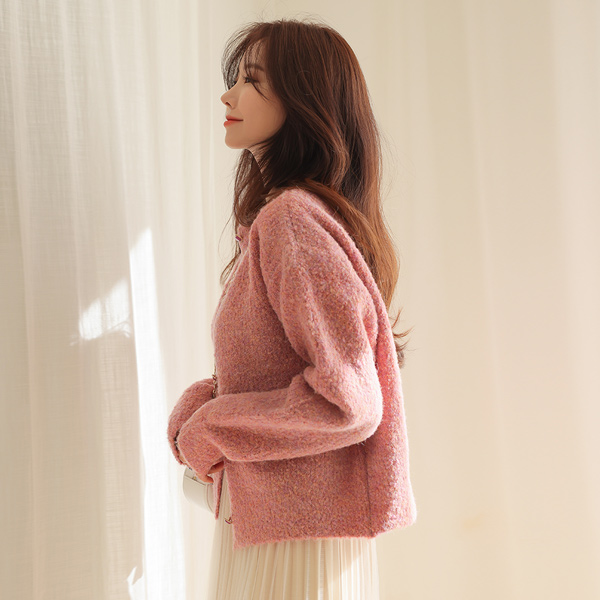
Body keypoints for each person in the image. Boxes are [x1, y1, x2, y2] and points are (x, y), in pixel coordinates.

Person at [167, 16, 417, 600]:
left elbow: (346, 402)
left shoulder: (292, 221)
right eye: (235, 79)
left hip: (294, 538)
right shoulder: (288, 218)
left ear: (303, 102)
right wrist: (206, 402)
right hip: (286, 523)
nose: (228, 96)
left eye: (252, 80)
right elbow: (277, 370)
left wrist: (213, 426)